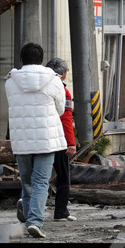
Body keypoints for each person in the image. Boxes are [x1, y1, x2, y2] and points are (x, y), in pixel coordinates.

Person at [5, 42, 66, 239]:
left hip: (22, 140)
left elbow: (15, 106)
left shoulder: (10, 81)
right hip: (46, 139)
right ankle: (34, 221)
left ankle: (30, 217)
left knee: (27, 181)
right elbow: (61, 109)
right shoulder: (54, 81)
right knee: (41, 181)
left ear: (22, 59)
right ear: (41, 59)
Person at [46, 57, 77, 221]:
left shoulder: (40, 88)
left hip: (39, 139)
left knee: (38, 177)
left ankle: (30, 211)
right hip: (58, 140)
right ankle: (61, 212)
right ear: (63, 75)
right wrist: (70, 143)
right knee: (63, 177)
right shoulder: (63, 92)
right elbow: (66, 118)